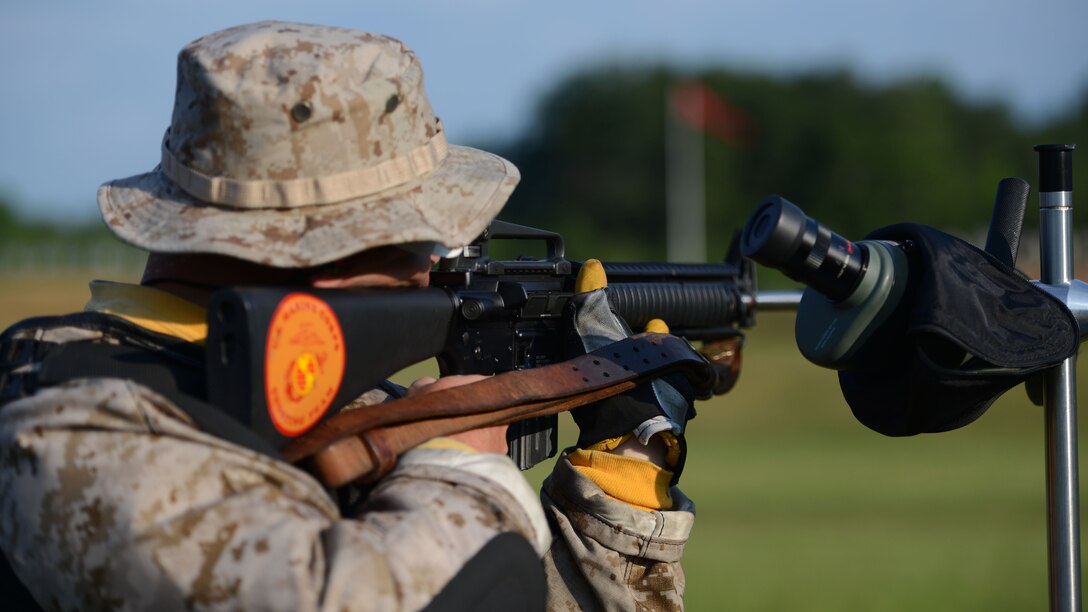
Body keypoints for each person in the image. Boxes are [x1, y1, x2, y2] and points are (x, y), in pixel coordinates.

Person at [0, 21, 703, 610]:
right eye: (420, 239)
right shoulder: (65, 427)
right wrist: (466, 470)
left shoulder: (344, 406)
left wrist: (621, 487)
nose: (430, 269)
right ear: (333, 254)